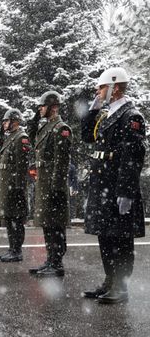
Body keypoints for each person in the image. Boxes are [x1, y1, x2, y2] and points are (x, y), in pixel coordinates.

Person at [80, 67, 146, 304]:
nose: (98, 91)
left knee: (121, 238)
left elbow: (133, 156)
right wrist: (92, 110)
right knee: (106, 236)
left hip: (117, 187)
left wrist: (126, 192)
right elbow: (87, 136)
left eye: (101, 87)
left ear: (115, 87)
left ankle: (121, 287)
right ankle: (110, 280)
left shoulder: (131, 116)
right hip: (103, 186)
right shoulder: (107, 114)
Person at [26, 91, 72, 277]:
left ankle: (57, 263)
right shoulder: (45, 128)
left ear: (53, 107)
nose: (40, 109)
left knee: (56, 225)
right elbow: (31, 136)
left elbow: (62, 162)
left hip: (54, 185)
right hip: (44, 184)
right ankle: (50, 260)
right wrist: (37, 116)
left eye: (42, 106)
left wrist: (56, 187)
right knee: (47, 223)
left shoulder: (61, 128)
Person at [0, 109, 31, 262]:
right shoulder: (10, 138)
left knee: (16, 220)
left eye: (6, 121)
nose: (4, 124)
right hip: (8, 187)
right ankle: (12, 249)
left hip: (15, 188)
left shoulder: (21, 138)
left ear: (15, 121)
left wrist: (18, 187)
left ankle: (17, 251)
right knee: (10, 220)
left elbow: (21, 166)